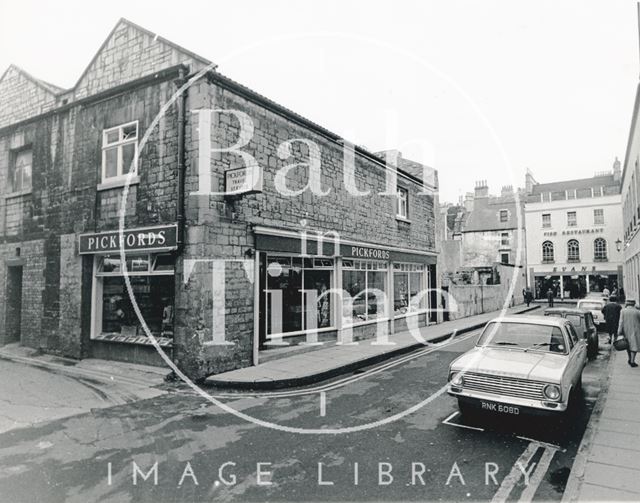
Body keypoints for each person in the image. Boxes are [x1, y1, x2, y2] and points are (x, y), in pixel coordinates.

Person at [617, 299, 640, 367]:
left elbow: (621, 322)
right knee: (634, 345)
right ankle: (632, 361)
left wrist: (619, 331)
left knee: (627, 345)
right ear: (634, 304)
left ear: (626, 303)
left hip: (626, 330)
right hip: (636, 330)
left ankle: (630, 359)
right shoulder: (637, 312)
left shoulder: (623, 311)